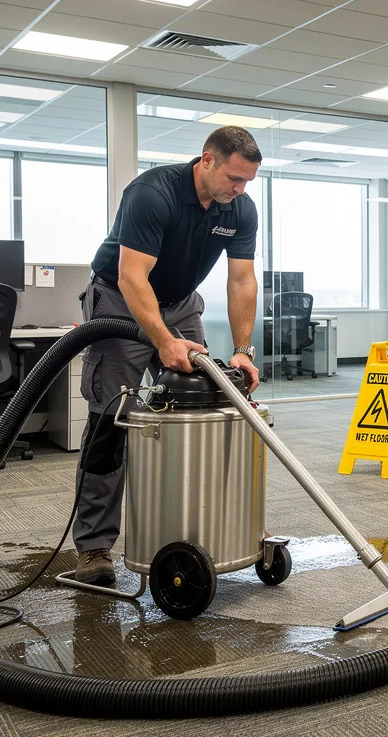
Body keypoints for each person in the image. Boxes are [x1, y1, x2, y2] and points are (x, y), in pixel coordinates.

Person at [71, 126, 262, 584]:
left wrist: (241, 350)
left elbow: (241, 280)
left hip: (179, 303)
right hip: (119, 300)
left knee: (206, 402)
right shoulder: (152, 194)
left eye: (247, 182)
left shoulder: (239, 209)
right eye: (234, 178)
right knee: (111, 419)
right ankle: (94, 546)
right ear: (207, 160)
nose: (240, 190)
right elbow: (131, 276)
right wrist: (162, 340)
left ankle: (202, 527)